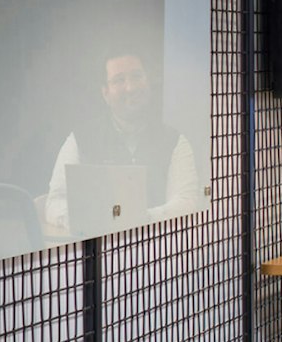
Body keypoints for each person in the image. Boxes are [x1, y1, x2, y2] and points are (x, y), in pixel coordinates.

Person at [44, 50, 203, 237]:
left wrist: (139, 219)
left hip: (158, 245)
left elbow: (186, 201)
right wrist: (96, 221)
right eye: (119, 80)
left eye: (137, 76)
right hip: (99, 247)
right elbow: (55, 202)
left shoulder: (175, 141)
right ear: (105, 93)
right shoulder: (80, 139)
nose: (130, 87)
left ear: (148, 82)